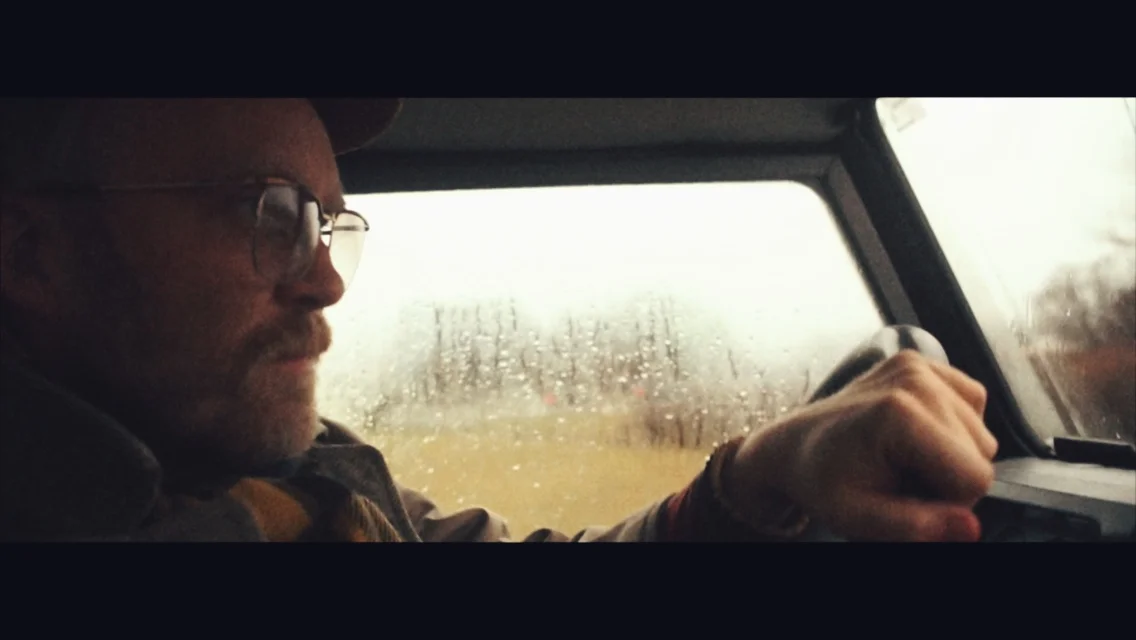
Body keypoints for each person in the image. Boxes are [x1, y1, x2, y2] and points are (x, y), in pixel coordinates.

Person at [0, 98, 999, 542]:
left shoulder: (301, 474)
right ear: (33, 255)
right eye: (264, 211)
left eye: (326, 224)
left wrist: (755, 476)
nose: (327, 282)